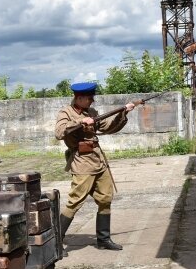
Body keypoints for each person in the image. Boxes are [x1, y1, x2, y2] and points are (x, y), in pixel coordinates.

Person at [54, 82, 135, 251]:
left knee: (105, 199)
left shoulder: (92, 112)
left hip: (98, 161)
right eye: (89, 98)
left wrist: (123, 114)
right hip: (82, 163)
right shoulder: (66, 113)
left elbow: (108, 128)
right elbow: (59, 132)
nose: (92, 101)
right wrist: (80, 121)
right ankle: (55, 242)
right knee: (75, 202)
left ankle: (103, 240)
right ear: (79, 97)